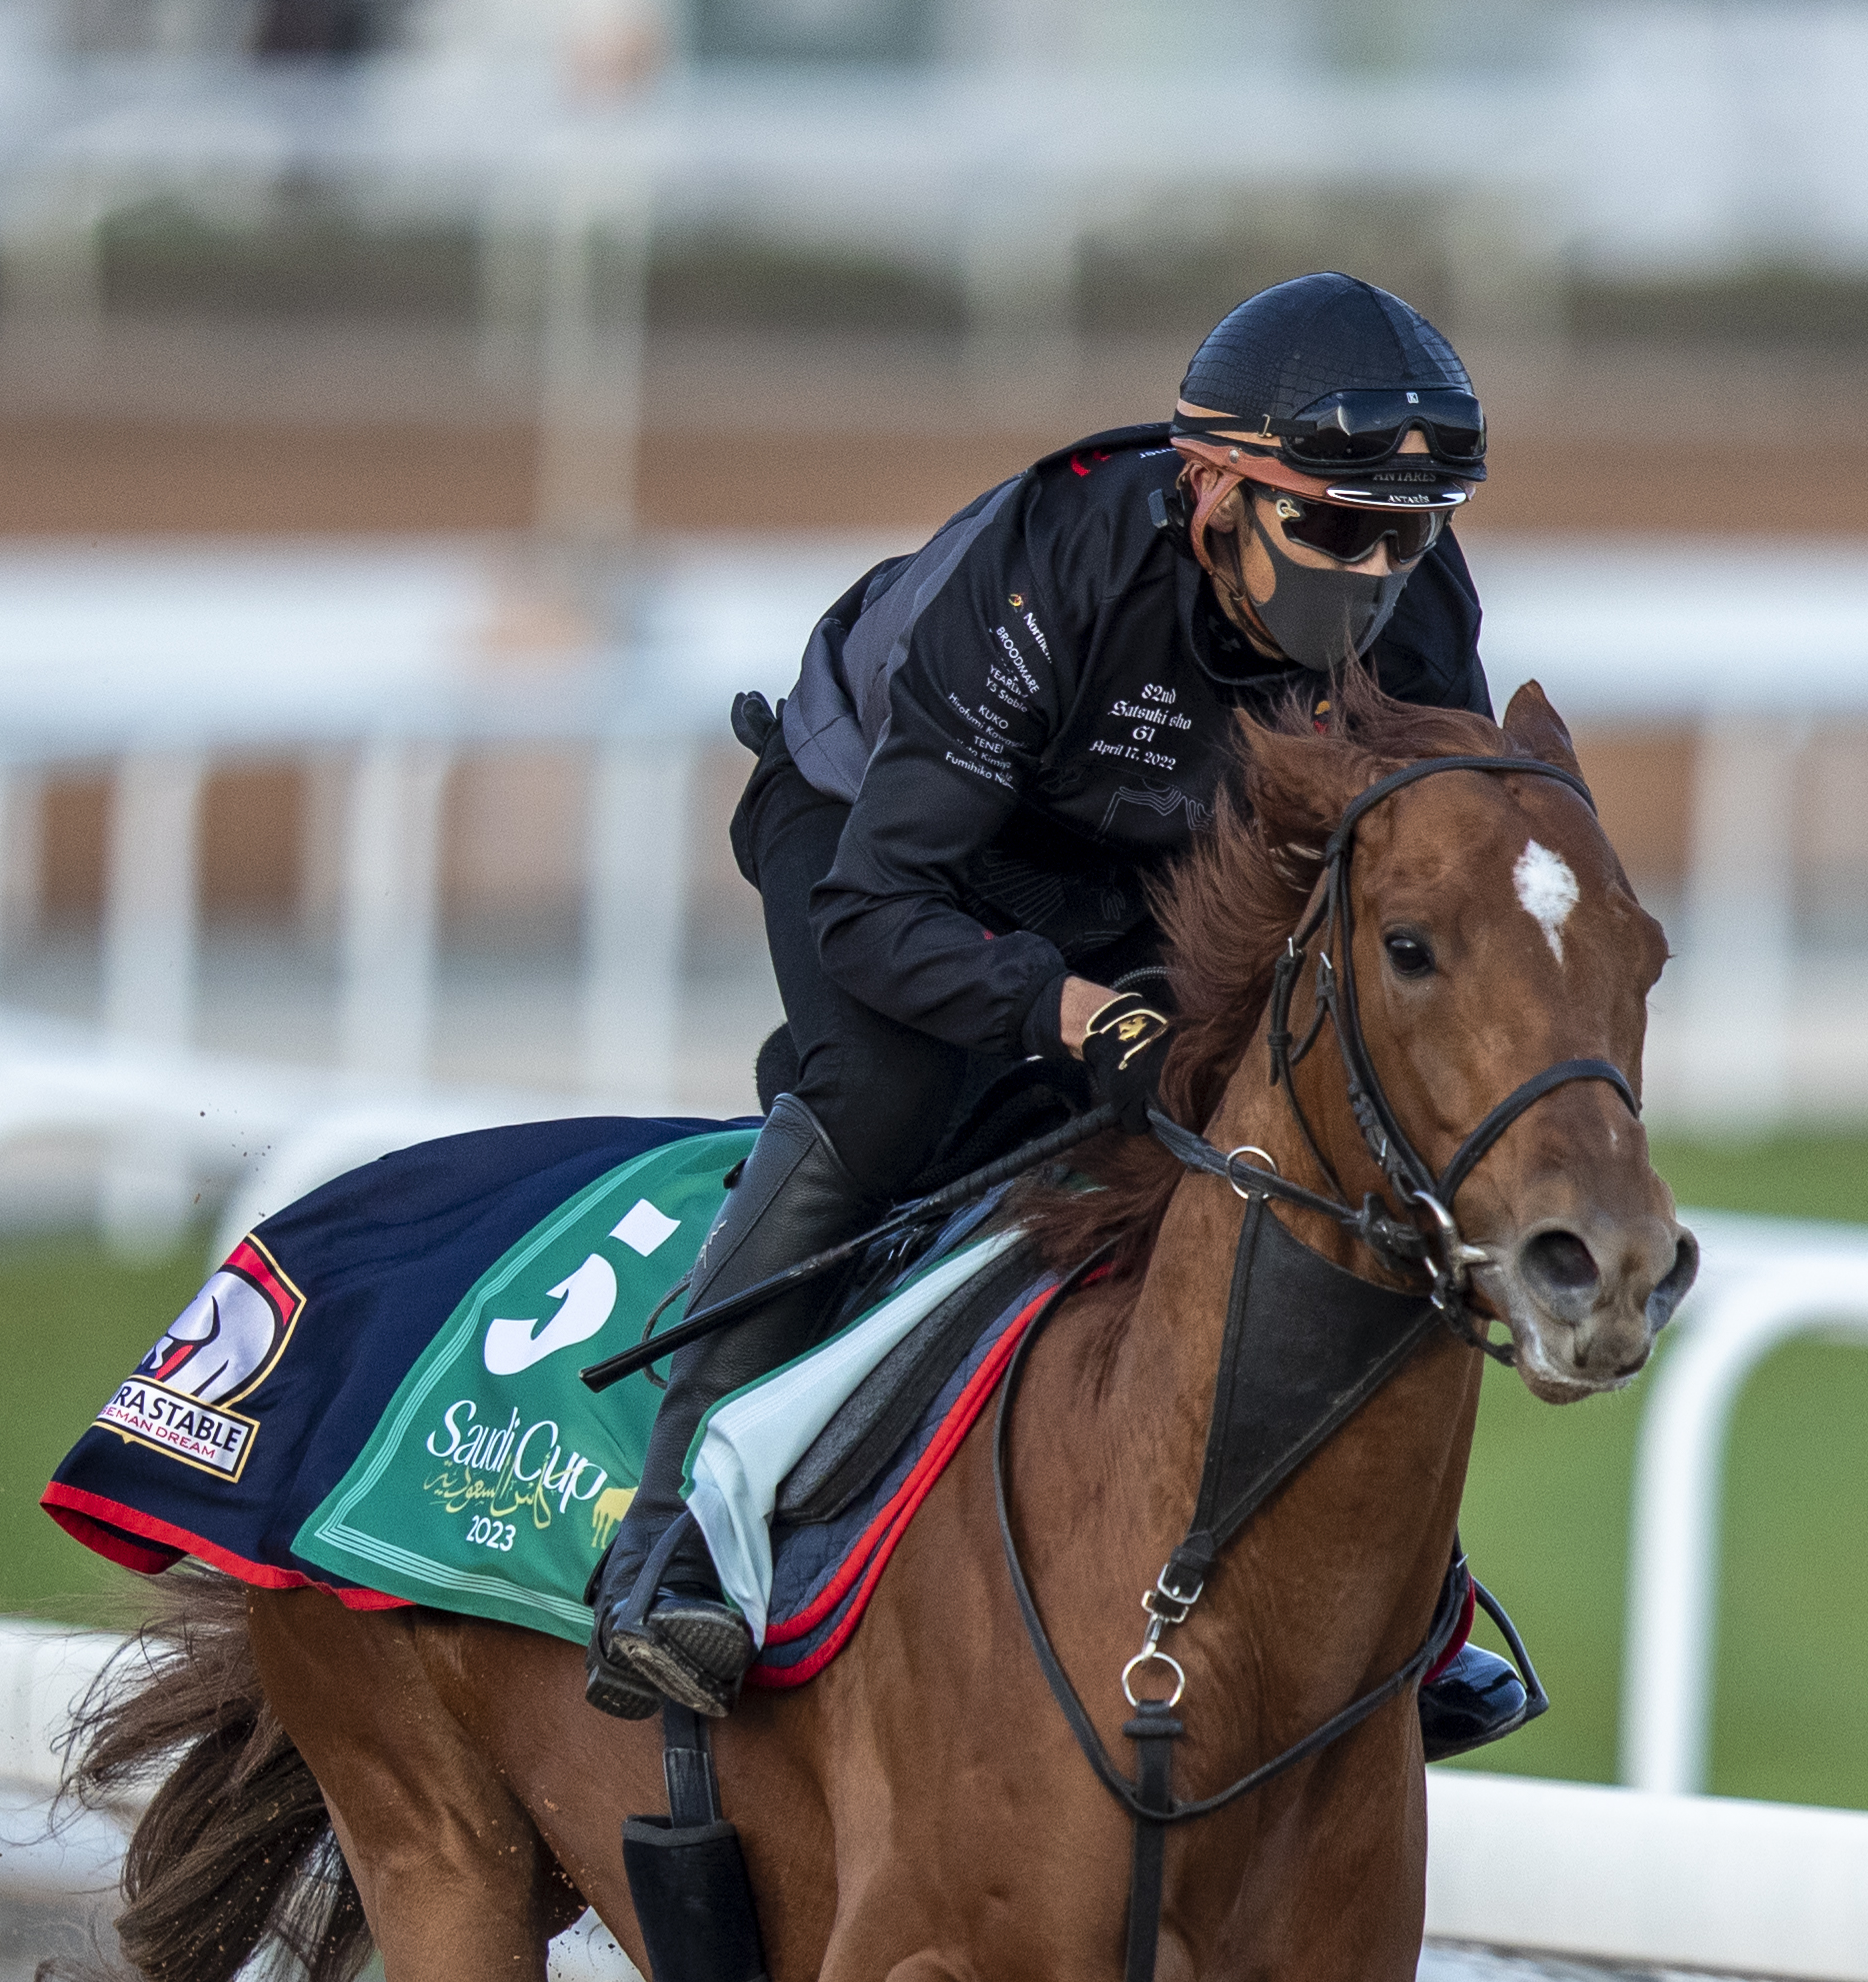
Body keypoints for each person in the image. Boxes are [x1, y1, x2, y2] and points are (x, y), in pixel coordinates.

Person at [580, 268, 1548, 1757]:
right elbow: (879, 906)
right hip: (881, 835)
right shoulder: (1060, 561)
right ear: (1217, 489)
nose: (1374, 575)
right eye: (1338, 528)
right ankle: (666, 1546)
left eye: (1410, 535)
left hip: (1149, 864)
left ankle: (1401, 1601)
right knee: (894, 1097)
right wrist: (1074, 1014)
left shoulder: (1417, 620)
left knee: (1307, 1140)